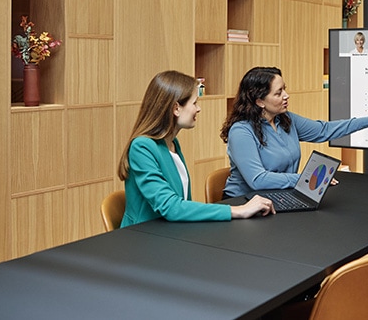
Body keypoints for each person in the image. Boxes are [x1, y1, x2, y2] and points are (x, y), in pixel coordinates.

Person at [117, 70, 275, 227]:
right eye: (194, 103)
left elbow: (181, 204)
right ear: (176, 108)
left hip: (171, 232)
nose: (198, 109)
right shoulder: (142, 147)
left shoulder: (172, 143)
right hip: (144, 238)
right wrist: (237, 211)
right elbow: (170, 207)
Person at [221, 66, 368, 198]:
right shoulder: (241, 132)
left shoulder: (285, 119)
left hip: (277, 197)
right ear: (259, 101)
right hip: (242, 203)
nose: (286, 95)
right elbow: (258, 180)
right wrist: (304, 179)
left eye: (285, 88)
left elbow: (324, 130)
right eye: (278, 93)